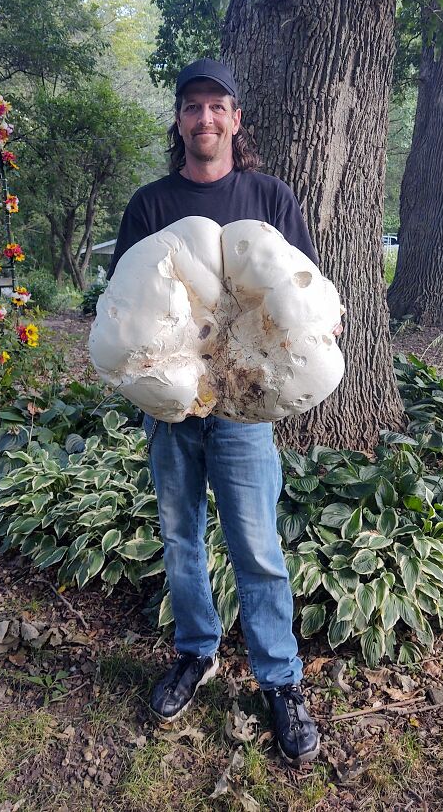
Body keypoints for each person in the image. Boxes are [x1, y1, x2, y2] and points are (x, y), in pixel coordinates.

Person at [107, 58, 324, 766]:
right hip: (172, 404)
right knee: (180, 537)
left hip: (244, 408)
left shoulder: (268, 196)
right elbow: (124, 303)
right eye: (192, 107)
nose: (205, 118)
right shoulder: (150, 204)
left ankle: (280, 680)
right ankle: (195, 653)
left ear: (235, 119)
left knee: (256, 544)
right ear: (179, 120)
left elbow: (306, 297)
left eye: (217, 106)